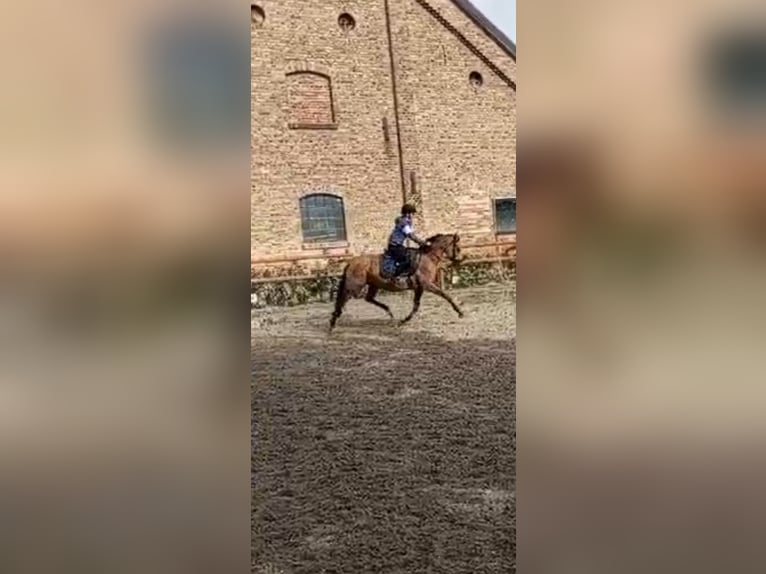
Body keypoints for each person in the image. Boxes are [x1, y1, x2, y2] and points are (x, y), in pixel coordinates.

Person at [384, 203, 427, 288]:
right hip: (395, 245)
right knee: (406, 258)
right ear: (408, 213)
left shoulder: (407, 221)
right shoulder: (404, 222)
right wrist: (421, 243)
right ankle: (395, 276)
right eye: (412, 213)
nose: (413, 215)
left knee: (411, 254)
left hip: (398, 244)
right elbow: (410, 235)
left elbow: (412, 234)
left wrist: (421, 241)